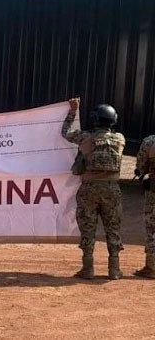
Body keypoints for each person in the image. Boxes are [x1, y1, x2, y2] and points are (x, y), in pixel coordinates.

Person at [62, 98, 125, 280]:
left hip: (89, 189)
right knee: (113, 228)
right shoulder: (120, 139)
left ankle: (88, 268)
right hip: (112, 189)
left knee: (88, 229)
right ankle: (114, 269)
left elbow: (65, 132)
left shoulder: (85, 138)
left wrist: (73, 111)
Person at [134, 135, 155, 279]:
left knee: (152, 227)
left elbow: (141, 167)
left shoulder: (150, 141)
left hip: (154, 191)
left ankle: (152, 267)